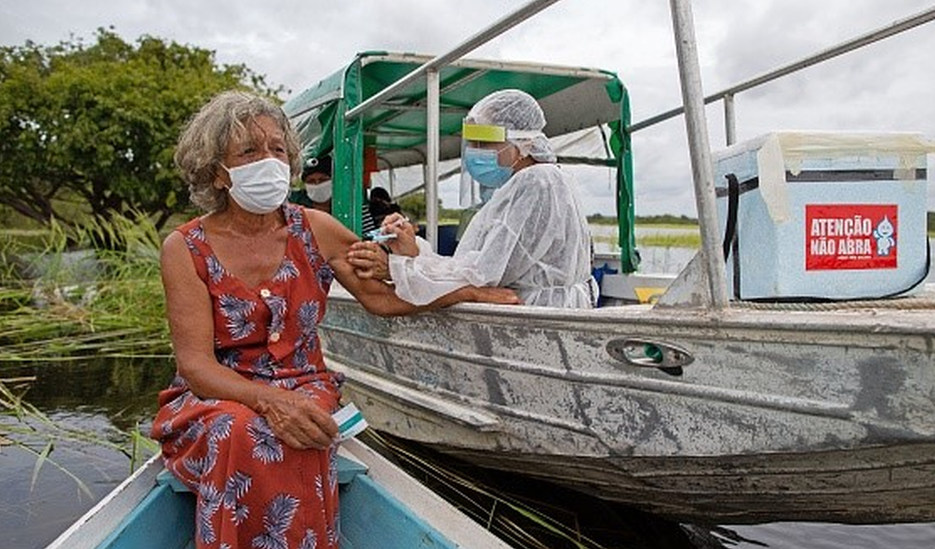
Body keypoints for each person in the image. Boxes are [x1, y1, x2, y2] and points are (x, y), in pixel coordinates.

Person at [149, 90, 518, 549]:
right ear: (218, 172)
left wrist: (461, 289)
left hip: (304, 384)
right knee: (240, 430)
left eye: (277, 149)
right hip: (218, 395)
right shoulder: (185, 248)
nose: (269, 160)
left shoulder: (315, 229)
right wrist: (268, 401)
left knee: (300, 430)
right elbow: (197, 368)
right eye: (249, 151)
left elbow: (383, 298)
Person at [348, 89, 598, 308]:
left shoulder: (536, 181)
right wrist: (413, 251)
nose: (475, 151)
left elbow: (483, 275)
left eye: (485, 142)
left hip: (537, 316)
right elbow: (474, 266)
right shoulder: (528, 183)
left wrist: (397, 267)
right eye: (473, 142)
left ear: (521, 141)